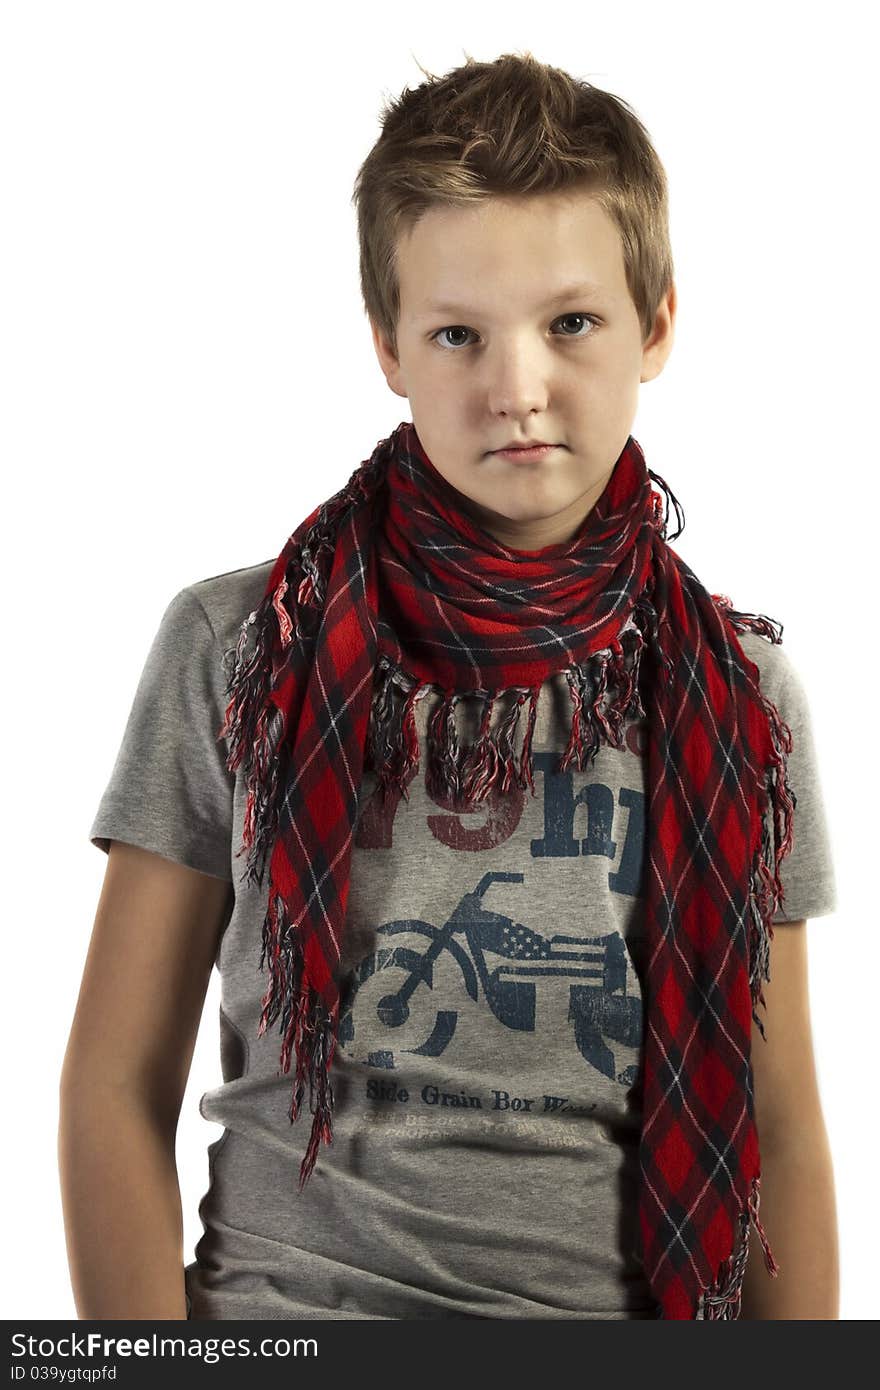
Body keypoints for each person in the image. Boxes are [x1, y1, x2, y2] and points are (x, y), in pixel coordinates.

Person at [59, 50, 839, 1321]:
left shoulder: (741, 696)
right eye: (458, 334)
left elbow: (777, 1121)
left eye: (570, 323)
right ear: (387, 346)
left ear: (656, 327)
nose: (515, 389)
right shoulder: (234, 644)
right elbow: (113, 1079)